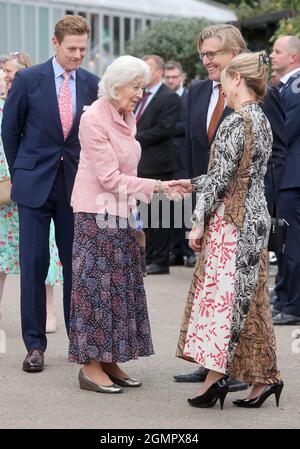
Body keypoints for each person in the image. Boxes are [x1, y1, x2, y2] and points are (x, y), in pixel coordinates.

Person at [173, 24, 287, 391]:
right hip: (222, 207)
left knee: (231, 295)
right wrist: (192, 189)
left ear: (235, 60)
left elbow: (268, 159)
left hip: (238, 216)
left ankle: (226, 372)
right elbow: (201, 156)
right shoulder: (195, 93)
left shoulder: (257, 103)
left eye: (214, 54)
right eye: (203, 54)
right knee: (232, 295)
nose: (207, 61)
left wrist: (250, 209)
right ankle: (217, 366)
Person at [68, 55, 186, 393]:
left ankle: (109, 359)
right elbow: (107, 177)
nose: (140, 93)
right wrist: (159, 187)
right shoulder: (94, 118)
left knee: (119, 289)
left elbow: (127, 173)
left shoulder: (125, 114)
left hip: (119, 213)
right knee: (96, 291)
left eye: (142, 86)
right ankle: (90, 366)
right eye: (136, 87)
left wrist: (142, 201)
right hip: (95, 214)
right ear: (116, 85)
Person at [1, 15, 99, 373]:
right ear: (54, 44)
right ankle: (34, 345)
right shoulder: (28, 79)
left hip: (76, 186)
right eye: (71, 48)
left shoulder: (92, 83)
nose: (77, 55)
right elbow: (9, 132)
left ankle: (80, 342)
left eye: (83, 49)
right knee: (33, 263)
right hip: (33, 184)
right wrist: (22, 171)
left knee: (77, 264)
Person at [0, 53, 63, 333]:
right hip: (13, 183)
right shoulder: (6, 102)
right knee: (5, 256)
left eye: (10, 71)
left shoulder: (34, 93)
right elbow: (9, 137)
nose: (6, 76)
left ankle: (49, 314)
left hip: (33, 184)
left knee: (43, 255)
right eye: (3, 71)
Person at [135, 55, 181, 275]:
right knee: (145, 215)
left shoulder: (169, 97)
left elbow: (165, 128)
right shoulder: (139, 94)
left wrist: (134, 136)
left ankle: (160, 261)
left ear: (159, 72)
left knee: (159, 215)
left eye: (147, 68)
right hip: (141, 164)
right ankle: (150, 256)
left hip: (160, 164)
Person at [270, 36, 300, 325]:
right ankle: (283, 297)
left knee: (291, 244)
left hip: (292, 175)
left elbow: (283, 131)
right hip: (285, 174)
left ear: (293, 57)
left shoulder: (296, 86)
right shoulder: (286, 85)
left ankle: (293, 305)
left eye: (278, 51)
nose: (272, 55)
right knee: (282, 243)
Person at [164, 60, 196, 268]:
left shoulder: (189, 98)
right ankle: (174, 251)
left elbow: (189, 125)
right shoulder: (162, 99)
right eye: (167, 77)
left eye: (174, 77)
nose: (170, 81)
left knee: (185, 208)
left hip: (183, 159)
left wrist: (166, 127)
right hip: (166, 159)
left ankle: (189, 252)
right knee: (167, 208)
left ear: (182, 76)